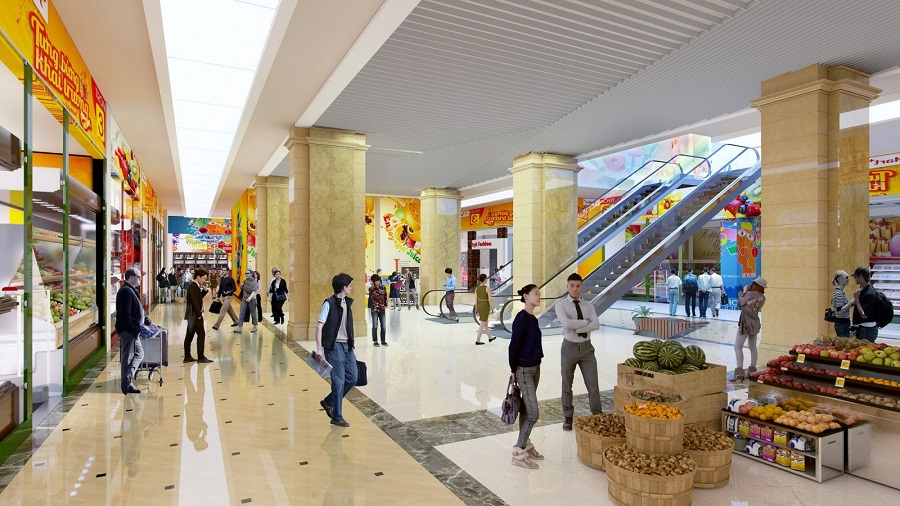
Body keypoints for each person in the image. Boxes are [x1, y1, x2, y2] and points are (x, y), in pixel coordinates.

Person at [555, 273, 602, 430]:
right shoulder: (561, 305)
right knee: (567, 383)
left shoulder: (588, 305)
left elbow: (596, 324)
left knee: (593, 383)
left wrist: (579, 327)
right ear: (567, 286)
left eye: (578, 286)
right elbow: (566, 324)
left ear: (582, 287)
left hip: (587, 349)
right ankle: (568, 417)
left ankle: (597, 413)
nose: (575, 289)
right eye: (572, 286)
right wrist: (585, 322)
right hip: (569, 348)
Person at [508, 283, 544, 469]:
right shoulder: (521, 318)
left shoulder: (533, 319)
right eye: (536, 294)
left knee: (527, 410)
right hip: (523, 370)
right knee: (534, 413)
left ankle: (526, 444)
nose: (539, 296)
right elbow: (513, 345)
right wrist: (512, 369)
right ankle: (518, 451)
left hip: (535, 368)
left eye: (539, 294)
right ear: (526, 297)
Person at [316, 273, 358, 428]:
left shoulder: (347, 303)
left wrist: (352, 347)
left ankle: (328, 402)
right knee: (338, 382)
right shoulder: (329, 304)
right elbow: (319, 327)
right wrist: (319, 349)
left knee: (352, 378)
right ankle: (336, 416)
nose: (351, 288)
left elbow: (348, 327)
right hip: (334, 347)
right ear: (343, 287)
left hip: (347, 346)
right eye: (349, 286)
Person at [115, 268, 144, 394]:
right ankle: (127, 382)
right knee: (128, 356)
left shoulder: (131, 290)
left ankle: (128, 379)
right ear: (131, 277)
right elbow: (125, 313)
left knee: (137, 354)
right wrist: (131, 328)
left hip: (132, 330)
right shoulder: (125, 291)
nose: (140, 279)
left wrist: (147, 321)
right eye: (138, 277)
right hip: (128, 330)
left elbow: (137, 309)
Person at [734, 277, 766, 380]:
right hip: (755, 323)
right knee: (753, 346)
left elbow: (740, 303)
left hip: (745, 323)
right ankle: (752, 370)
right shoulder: (762, 297)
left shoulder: (749, 294)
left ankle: (739, 371)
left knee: (738, 346)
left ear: (755, 285)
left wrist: (744, 292)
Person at [184, 268, 213, 363]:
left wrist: (204, 290)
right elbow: (194, 301)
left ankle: (187, 356)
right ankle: (200, 357)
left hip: (192, 315)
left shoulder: (195, 286)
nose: (204, 280)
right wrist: (199, 314)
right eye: (203, 278)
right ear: (198, 277)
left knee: (189, 335)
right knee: (201, 334)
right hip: (194, 315)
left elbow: (198, 297)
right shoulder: (193, 286)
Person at [852, 265, 878, 342]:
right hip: (863, 328)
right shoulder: (862, 289)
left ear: (861, 276)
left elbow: (864, 315)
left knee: (866, 348)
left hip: (867, 330)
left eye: (856, 276)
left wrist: (857, 300)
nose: (854, 278)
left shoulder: (869, 293)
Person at [475, 273, 495, 345]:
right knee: (483, 323)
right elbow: (489, 299)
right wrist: (492, 308)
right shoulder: (487, 288)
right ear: (485, 279)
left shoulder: (477, 288)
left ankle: (490, 337)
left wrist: (476, 308)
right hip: (485, 306)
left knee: (485, 322)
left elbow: (476, 300)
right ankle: (478, 340)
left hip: (480, 305)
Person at [832, 270, 853, 337]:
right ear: (840, 279)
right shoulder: (839, 293)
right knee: (843, 342)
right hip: (842, 323)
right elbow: (839, 311)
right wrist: (851, 303)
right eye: (846, 277)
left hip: (842, 323)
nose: (848, 279)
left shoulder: (840, 292)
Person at [368, 274, 387, 346]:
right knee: (375, 325)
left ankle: (383, 340)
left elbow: (385, 296)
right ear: (373, 281)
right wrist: (378, 291)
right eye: (375, 281)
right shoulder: (371, 289)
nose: (377, 282)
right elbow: (373, 296)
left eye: (378, 280)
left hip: (382, 308)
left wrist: (385, 304)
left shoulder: (383, 287)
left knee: (383, 326)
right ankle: (375, 341)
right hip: (374, 309)